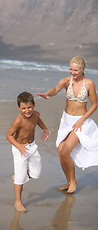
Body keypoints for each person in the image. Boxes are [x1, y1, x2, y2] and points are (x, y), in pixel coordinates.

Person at [36, 56, 98, 194]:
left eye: (75, 70)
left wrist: (82, 119)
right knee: (61, 152)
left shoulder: (89, 84)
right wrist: (47, 94)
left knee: (65, 151)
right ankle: (69, 181)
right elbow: (55, 89)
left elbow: (95, 104)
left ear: (82, 69)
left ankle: (73, 181)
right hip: (66, 121)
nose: (72, 72)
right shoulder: (66, 81)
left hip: (80, 122)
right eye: (70, 69)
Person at [6, 91, 50, 212]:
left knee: (36, 173)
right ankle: (18, 202)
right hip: (19, 149)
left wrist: (45, 129)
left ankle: (20, 174)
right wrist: (19, 147)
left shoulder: (35, 114)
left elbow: (38, 120)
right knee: (20, 179)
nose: (27, 110)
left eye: (29, 107)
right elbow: (9, 135)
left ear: (34, 105)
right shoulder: (18, 120)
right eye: (23, 108)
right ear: (18, 107)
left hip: (32, 147)